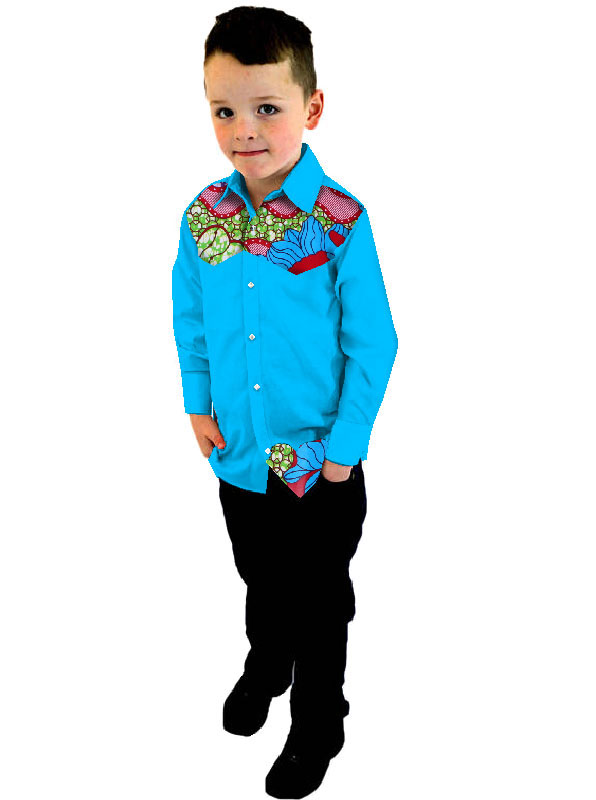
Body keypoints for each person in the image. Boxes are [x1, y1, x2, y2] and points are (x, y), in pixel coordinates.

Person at [171, 7, 398, 798]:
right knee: (260, 576)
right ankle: (268, 661)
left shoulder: (339, 221)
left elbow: (375, 343)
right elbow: (192, 317)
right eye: (224, 109)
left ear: (312, 107)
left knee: (320, 599)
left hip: (318, 465)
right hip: (238, 454)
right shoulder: (205, 217)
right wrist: (198, 402)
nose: (245, 129)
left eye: (267, 107)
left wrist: (345, 449)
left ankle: (319, 718)